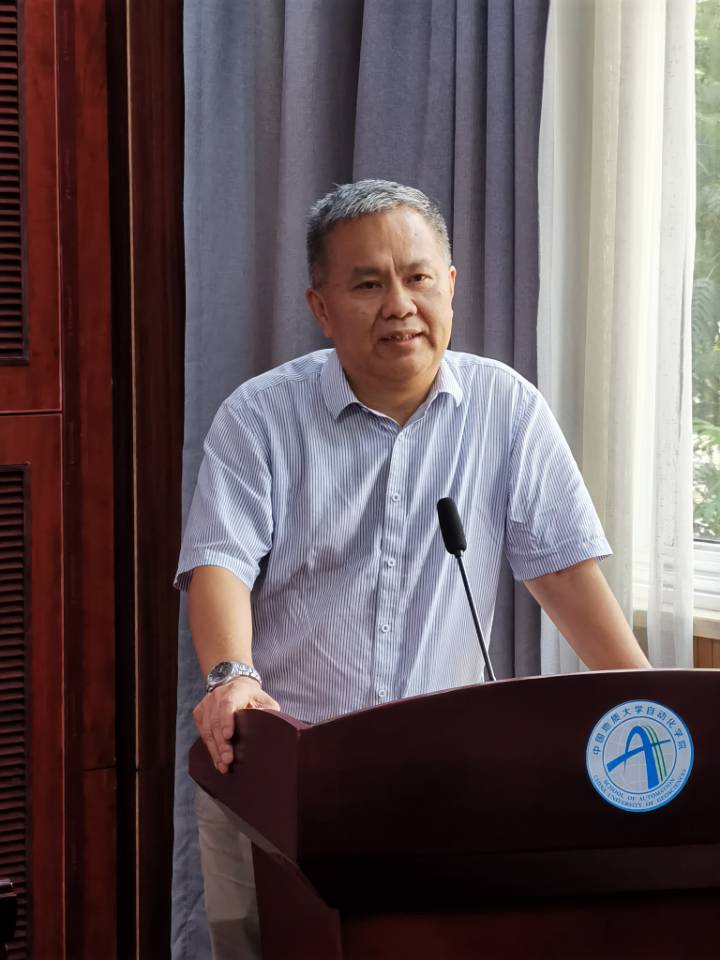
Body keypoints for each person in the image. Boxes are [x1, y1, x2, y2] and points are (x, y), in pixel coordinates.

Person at [175, 179, 650, 959]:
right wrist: (231, 676)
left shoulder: (506, 408)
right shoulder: (259, 417)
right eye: (367, 284)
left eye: (418, 277)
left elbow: (565, 575)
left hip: (437, 780)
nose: (399, 304)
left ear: (450, 286)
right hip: (283, 775)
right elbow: (218, 563)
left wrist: (655, 710)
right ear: (321, 307)